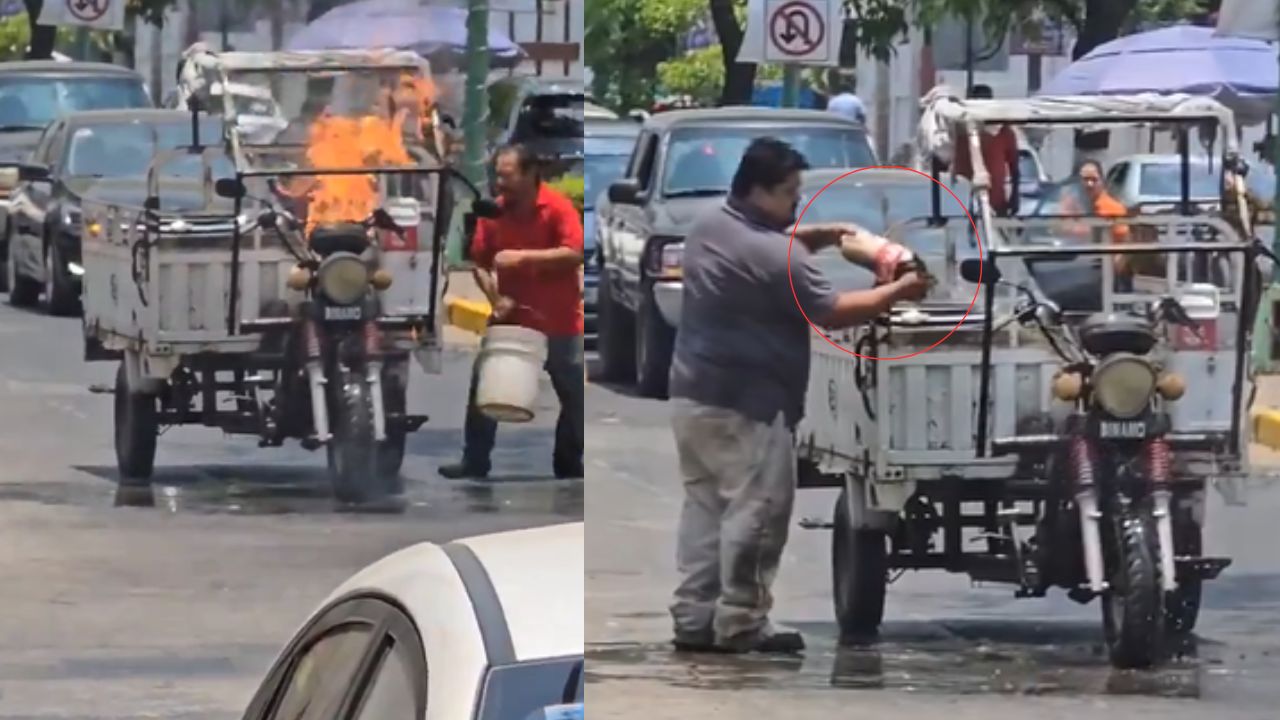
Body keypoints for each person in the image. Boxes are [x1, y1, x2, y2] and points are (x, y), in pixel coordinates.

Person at [667, 137, 929, 655]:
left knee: (705, 511)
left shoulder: (709, 227)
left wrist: (821, 236)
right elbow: (831, 310)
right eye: (789, 194)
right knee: (757, 514)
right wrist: (900, 290)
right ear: (759, 190)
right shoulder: (776, 256)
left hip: (693, 397)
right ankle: (742, 622)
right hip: (749, 405)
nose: (795, 204)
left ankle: (694, 619)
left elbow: (765, 247)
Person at [439, 144, 584, 480]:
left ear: (531, 174)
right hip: (512, 319)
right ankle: (474, 461)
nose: (499, 184)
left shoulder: (557, 209)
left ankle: (568, 460)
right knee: (483, 389)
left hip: (558, 321)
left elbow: (573, 253)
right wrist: (495, 297)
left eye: (507, 176)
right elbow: (479, 263)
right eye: (497, 176)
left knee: (575, 398)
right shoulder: (495, 213)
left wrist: (522, 257)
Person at [1059, 159, 1135, 280]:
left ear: (1102, 181)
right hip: (1071, 268)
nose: (1089, 184)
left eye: (1094, 180)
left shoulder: (1112, 207)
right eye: (1085, 179)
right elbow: (1061, 229)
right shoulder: (1069, 205)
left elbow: (1124, 241)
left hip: (1106, 272)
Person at [951, 84, 1020, 216]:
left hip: (995, 202)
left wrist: (1015, 196)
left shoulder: (1003, 131)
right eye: (976, 101)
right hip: (961, 203)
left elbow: (1014, 169)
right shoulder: (959, 130)